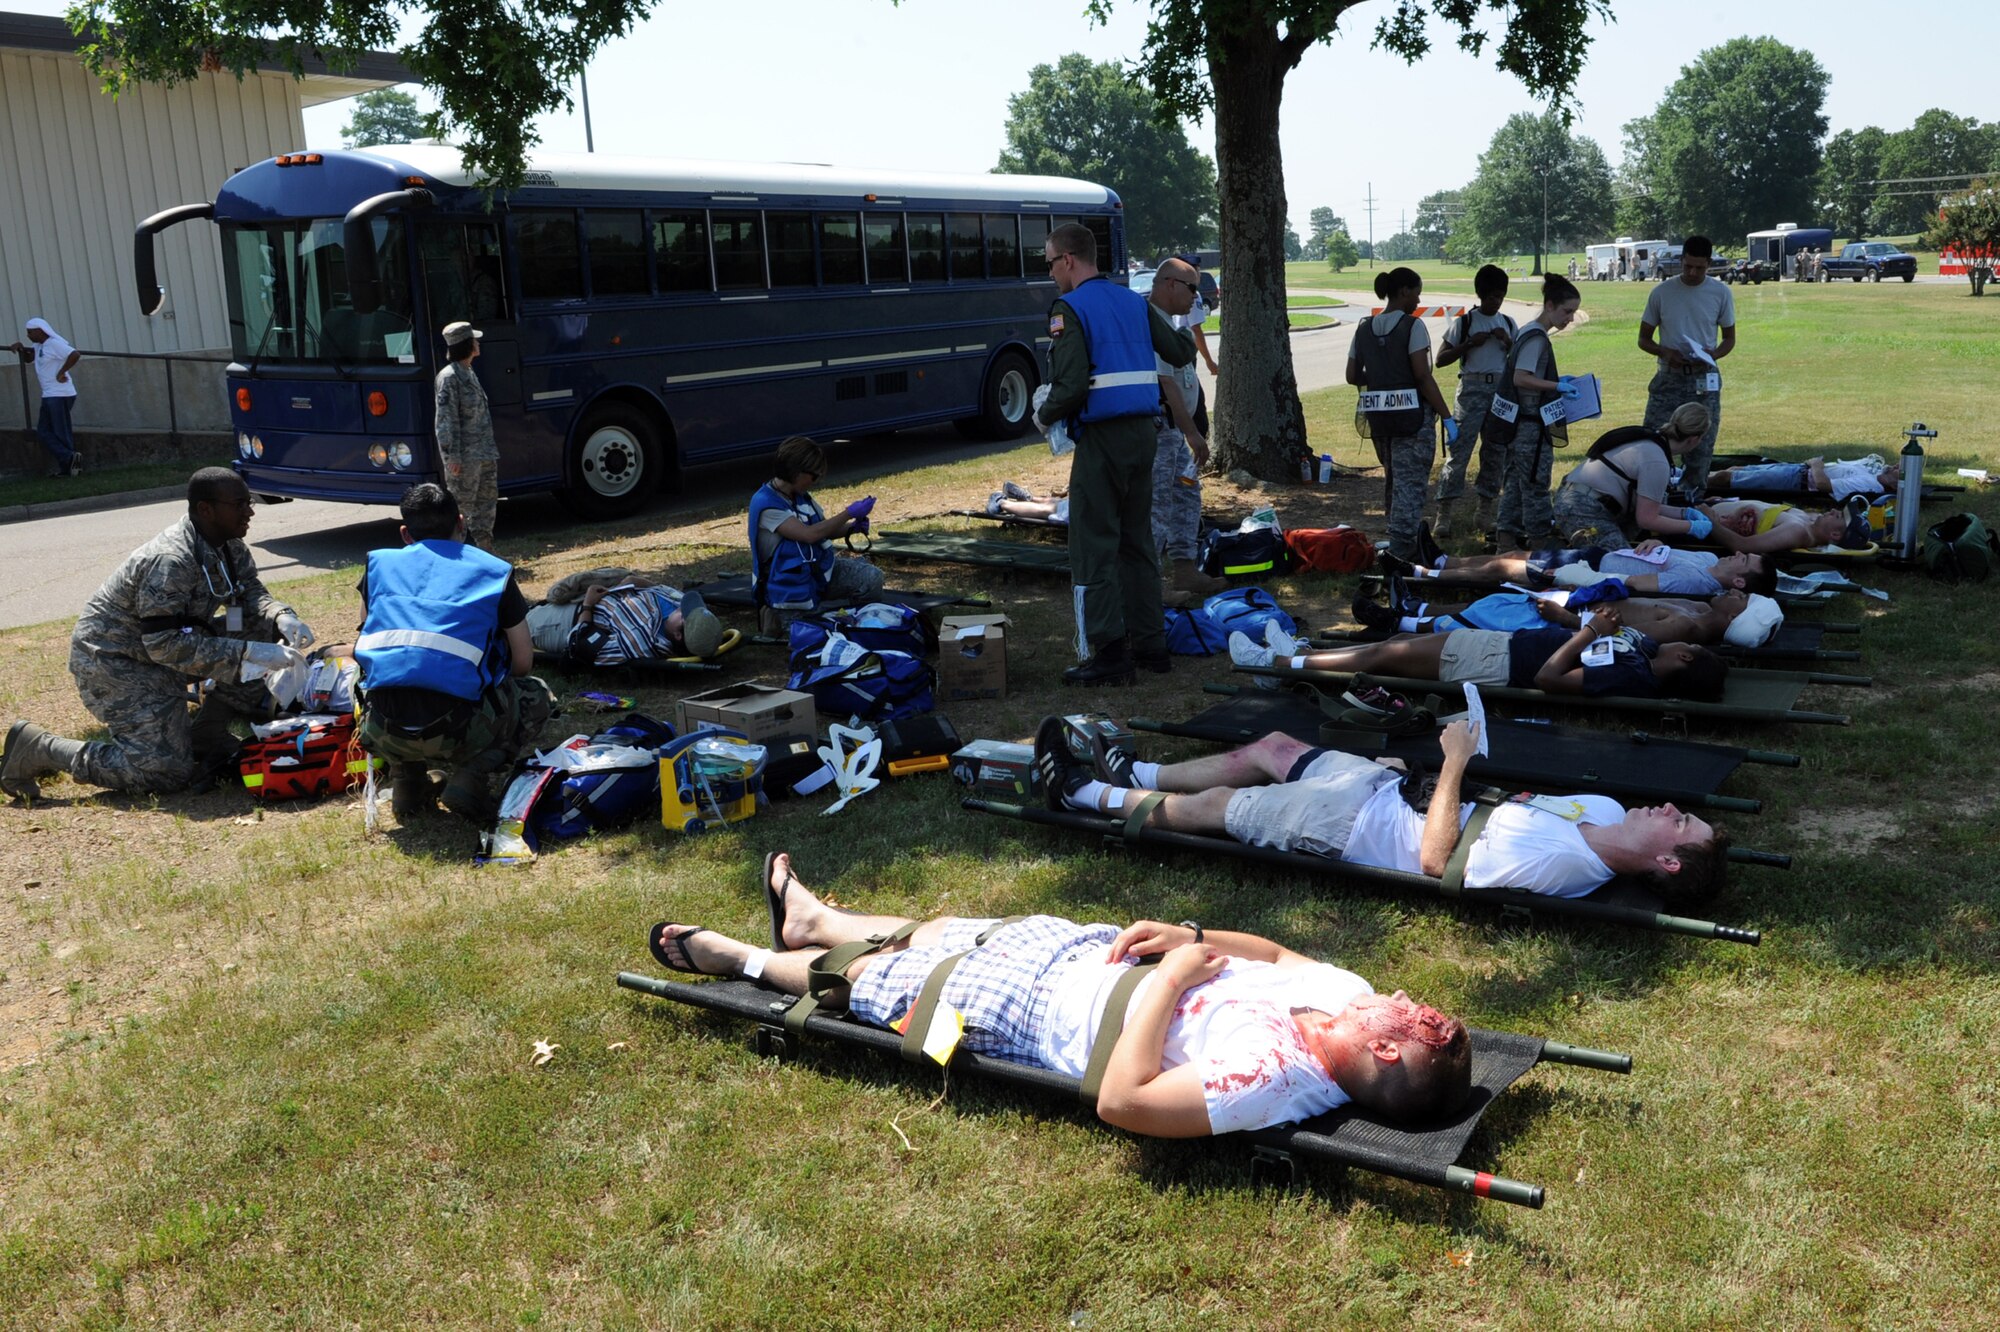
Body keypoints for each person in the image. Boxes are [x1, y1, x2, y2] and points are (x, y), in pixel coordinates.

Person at [646, 851, 1473, 1136]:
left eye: (1414, 1018)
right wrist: (1193, 941)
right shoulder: (1346, 989)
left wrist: (1174, 980)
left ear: (1388, 1050)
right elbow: (1278, 950)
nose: (1403, 994)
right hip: (1078, 950)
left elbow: (1124, 1099)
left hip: (1042, 1013)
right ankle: (816, 917)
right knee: (951, 932)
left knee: (877, 977)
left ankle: (743, 960)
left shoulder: (1275, 1080)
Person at [1035, 717, 1730, 909]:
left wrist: (1456, 762)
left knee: (1217, 808)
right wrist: (1430, 776)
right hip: (1391, 792)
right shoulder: (1603, 807)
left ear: (1666, 861)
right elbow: (1492, 808)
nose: (1671, 807)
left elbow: (1435, 862)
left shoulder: (1558, 867)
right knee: (1274, 746)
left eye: (1679, 823)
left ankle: (1084, 795)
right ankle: (1137, 772)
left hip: (1356, 828)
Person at [2, 469, 316, 800]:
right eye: (239, 504)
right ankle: (39, 748)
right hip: (116, 664)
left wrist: (280, 615)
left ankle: (207, 731)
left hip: (165, 650)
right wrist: (245, 653)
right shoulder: (171, 560)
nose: (250, 511)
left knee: (262, 627)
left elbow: (248, 594)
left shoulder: (229, 549)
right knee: (164, 773)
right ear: (206, 509)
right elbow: (163, 645)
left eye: (248, 502)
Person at [1034, 222, 1196, 685]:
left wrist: (1042, 418)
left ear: (1068, 259)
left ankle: (1107, 652)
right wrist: (1185, 309)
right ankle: (1151, 645)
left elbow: (1069, 385)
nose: (1050, 274)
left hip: (1101, 440)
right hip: (1144, 435)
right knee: (1137, 541)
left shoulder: (1069, 308)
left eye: (1050, 264)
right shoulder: (1133, 301)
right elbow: (1180, 351)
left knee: (1092, 544)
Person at [353, 483, 554, 821]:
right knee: (536, 696)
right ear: (461, 523)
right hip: (458, 729)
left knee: (399, 681)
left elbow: (366, 635)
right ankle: (470, 777)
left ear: (405, 533)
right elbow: (522, 662)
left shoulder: (378, 566)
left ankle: (408, 783)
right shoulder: (493, 572)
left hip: (382, 727)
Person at [1228, 605, 1731, 703]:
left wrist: (1586, 635)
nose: (1680, 640)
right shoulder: (1642, 654)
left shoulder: (1633, 679)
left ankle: (1277, 669)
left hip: (1497, 665)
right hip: (1501, 648)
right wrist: (1585, 624)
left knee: (1385, 655)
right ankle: (1300, 655)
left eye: (1686, 645)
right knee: (1385, 648)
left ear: (1685, 660)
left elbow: (1550, 680)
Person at [1347, 268, 1454, 562]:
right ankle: (1402, 552)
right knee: (1410, 483)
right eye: (1417, 293)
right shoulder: (1412, 326)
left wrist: (1382, 375)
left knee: (1394, 480)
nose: (1419, 299)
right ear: (1404, 291)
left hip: (1379, 419)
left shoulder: (1364, 328)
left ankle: (1397, 537)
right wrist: (1446, 416)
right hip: (1411, 420)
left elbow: (1352, 375)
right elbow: (1422, 375)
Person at [1355, 582, 1780, 653]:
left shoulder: (1688, 627)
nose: (1737, 592)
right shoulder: (1703, 608)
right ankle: (1413, 611)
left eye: (1743, 600)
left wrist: (1563, 618)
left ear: (1737, 621)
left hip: (1562, 626)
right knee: (1490, 604)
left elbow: (1623, 636)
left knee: (1477, 623)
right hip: (1573, 608)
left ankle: (1400, 624)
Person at [1145, 257, 1226, 604]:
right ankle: (1151, 584)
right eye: (1192, 287)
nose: (1197, 296)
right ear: (1169, 284)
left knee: (1186, 497)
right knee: (1157, 506)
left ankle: (1185, 570)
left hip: (1178, 433)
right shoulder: (1151, 323)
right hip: (1163, 428)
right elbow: (1165, 382)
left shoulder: (1170, 322)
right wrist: (1191, 432)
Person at [747, 435, 886, 632]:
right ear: (797, 472)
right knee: (816, 635)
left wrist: (852, 528)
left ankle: (861, 627)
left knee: (870, 578)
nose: (816, 480)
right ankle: (774, 616)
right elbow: (809, 534)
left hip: (817, 574)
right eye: (814, 476)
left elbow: (822, 530)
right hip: (789, 590)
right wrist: (848, 512)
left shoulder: (802, 498)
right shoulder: (766, 505)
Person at [1485, 274, 1583, 553]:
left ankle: (1506, 541)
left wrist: (1557, 380)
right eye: (1567, 311)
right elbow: (1521, 378)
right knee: (1536, 485)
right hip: (1529, 425)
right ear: (1549, 305)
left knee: (1515, 483)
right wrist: (1556, 385)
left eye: (1573, 312)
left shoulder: (1528, 331)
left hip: (1519, 424)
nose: (1570, 318)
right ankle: (1540, 542)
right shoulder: (1537, 337)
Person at [1638, 235, 1735, 495]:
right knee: (1653, 437)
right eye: (1688, 266)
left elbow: (1729, 339)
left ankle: (1692, 497)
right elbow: (1643, 339)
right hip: (1669, 377)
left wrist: (1712, 354)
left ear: (1709, 264)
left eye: (1699, 268)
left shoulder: (1720, 292)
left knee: (1701, 445)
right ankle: (1652, 494)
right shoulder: (1662, 292)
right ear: (1681, 260)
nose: (1692, 272)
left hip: (1704, 377)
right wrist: (1664, 351)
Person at [1547, 404, 1716, 547]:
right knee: (1620, 565)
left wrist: (1683, 513)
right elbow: (1647, 519)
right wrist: (1691, 527)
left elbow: (1645, 505)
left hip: (1575, 500)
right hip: (1583, 510)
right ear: (1694, 439)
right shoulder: (1657, 462)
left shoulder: (1649, 440)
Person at [1431, 265, 1517, 541]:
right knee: (1459, 452)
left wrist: (1509, 344)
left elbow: (1521, 361)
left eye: (1501, 296)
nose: (1496, 301)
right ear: (1480, 295)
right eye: (1491, 296)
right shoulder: (1465, 323)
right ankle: (1443, 514)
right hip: (1471, 388)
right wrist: (1468, 344)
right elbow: (1440, 360)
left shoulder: (1509, 323)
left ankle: (1484, 511)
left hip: (1500, 390)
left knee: (1495, 452)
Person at [1389, 540, 1774, 600]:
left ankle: (1421, 575)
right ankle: (1442, 562)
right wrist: (1654, 545)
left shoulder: (1696, 581)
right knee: (1514, 553)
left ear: (1738, 580)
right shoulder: (1708, 562)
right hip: (1601, 553)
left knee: (1503, 569)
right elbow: (1660, 551)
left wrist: (1578, 580)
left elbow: (1638, 583)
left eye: (1743, 560)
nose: (1736, 553)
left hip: (1586, 569)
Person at [524, 568, 725, 666]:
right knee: (553, 596)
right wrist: (633, 581)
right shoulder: (683, 608)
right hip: (610, 592)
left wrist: (588, 605)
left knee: (523, 624)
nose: (682, 607)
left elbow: (580, 647)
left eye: (684, 614)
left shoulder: (641, 642)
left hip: (568, 622)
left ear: (679, 635)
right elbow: (658, 588)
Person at [434, 321, 500, 549]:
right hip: (464, 461)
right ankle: (456, 562)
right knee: (461, 516)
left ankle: (487, 558)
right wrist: (452, 456)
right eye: (475, 340)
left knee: (485, 511)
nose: (478, 343)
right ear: (466, 344)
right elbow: (445, 421)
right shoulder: (450, 378)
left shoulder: (468, 372)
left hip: (484, 455)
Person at [8, 318, 83, 477]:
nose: (28, 335)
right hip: (49, 394)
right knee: (43, 431)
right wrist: (21, 348)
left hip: (60, 394)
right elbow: (30, 359)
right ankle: (69, 459)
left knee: (60, 432)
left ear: (41, 331)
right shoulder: (39, 346)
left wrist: (62, 372)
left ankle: (69, 466)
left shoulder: (54, 344)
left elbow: (74, 354)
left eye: (30, 332)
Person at [1707, 457, 1899, 502]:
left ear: (1893, 485)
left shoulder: (1870, 485)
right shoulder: (1873, 474)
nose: (1898, 466)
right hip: (1796, 471)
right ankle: (1681, 476)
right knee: (1736, 469)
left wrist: (1816, 465)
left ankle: (1683, 484)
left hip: (1796, 481)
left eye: (1900, 471)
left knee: (1726, 478)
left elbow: (1824, 486)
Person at [1703, 500, 1856, 553]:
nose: (1835, 510)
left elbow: (1742, 546)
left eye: (1840, 516)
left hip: (1699, 522)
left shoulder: (1797, 531)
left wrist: (1710, 520)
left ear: (1835, 535)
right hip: (1709, 507)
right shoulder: (1808, 519)